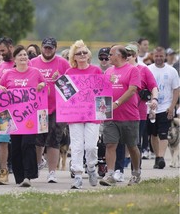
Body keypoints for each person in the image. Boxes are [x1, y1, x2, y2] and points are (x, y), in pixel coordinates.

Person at [0, 45, 46, 187]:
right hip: (13, 117)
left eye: (25, 55)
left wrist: (42, 85)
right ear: (15, 59)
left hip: (30, 116)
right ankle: (19, 177)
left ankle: (28, 176)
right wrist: (0, 88)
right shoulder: (8, 74)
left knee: (28, 144)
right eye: (20, 55)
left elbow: (45, 88)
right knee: (16, 146)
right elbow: (0, 90)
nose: (24, 57)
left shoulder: (36, 72)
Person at [113, 43, 158, 182]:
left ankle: (135, 171)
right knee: (118, 143)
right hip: (117, 112)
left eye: (131, 54)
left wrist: (155, 99)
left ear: (136, 55)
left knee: (134, 144)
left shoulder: (143, 70)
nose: (128, 57)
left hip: (137, 112)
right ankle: (118, 170)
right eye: (126, 54)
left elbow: (153, 86)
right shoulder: (117, 69)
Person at [100, 45, 141, 186]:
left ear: (120, 55)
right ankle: (110, 175)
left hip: (129, 116)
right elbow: (102, 92)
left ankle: (136, 173)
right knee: (110, 144)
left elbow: (132, 90)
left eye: (111, 54)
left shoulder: (132, 70)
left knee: (132, 146)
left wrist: (117, 103)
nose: (108, 57)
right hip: (111, 116)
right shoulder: (108, 71)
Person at [30, 37, 70, 183]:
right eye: (45, 47)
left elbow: (71, 89)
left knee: (54, 140)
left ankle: (52, 172)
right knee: (38, 140)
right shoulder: (33, 63)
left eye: (50, 48)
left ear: (55, 48)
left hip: (57, 108)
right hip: (38, 108)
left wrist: (60, 80)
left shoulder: (63, 63)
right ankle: (38, 163)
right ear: (41, 47)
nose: (47, 50)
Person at [65, 40, 102, 189]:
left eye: (84, 52)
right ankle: (78, 174)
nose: (82, 55)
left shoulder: (96, 71)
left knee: (91, 146)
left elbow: (102, 93)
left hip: (92, 114)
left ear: (89, 55)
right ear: (73, 57)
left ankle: (92, 167)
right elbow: (65, 96)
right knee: (77, 145)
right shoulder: (69, 73)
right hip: (75, 115)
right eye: (78, 53)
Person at [147, 46, 179, 169]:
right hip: (151, 108)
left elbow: (176, 90)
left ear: (165, 56)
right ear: (153, 56)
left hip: (165, 107)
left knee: (163, 133)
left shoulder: (171, 71)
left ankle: (161, 157)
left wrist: (172, 107)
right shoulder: (148, 69)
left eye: (161, 56)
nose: (159, 58)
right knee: (153, 134)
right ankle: (157, 156)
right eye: (156, 56)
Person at [0, 37, 15, 184]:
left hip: (22, 110)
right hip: (4, 110)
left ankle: (22, 171)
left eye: (3, 51)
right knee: (2, 140)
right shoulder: (1, 66)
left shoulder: (23, 63)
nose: (0, 54)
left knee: (21, 142)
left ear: (11, 47)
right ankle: (3, 171)